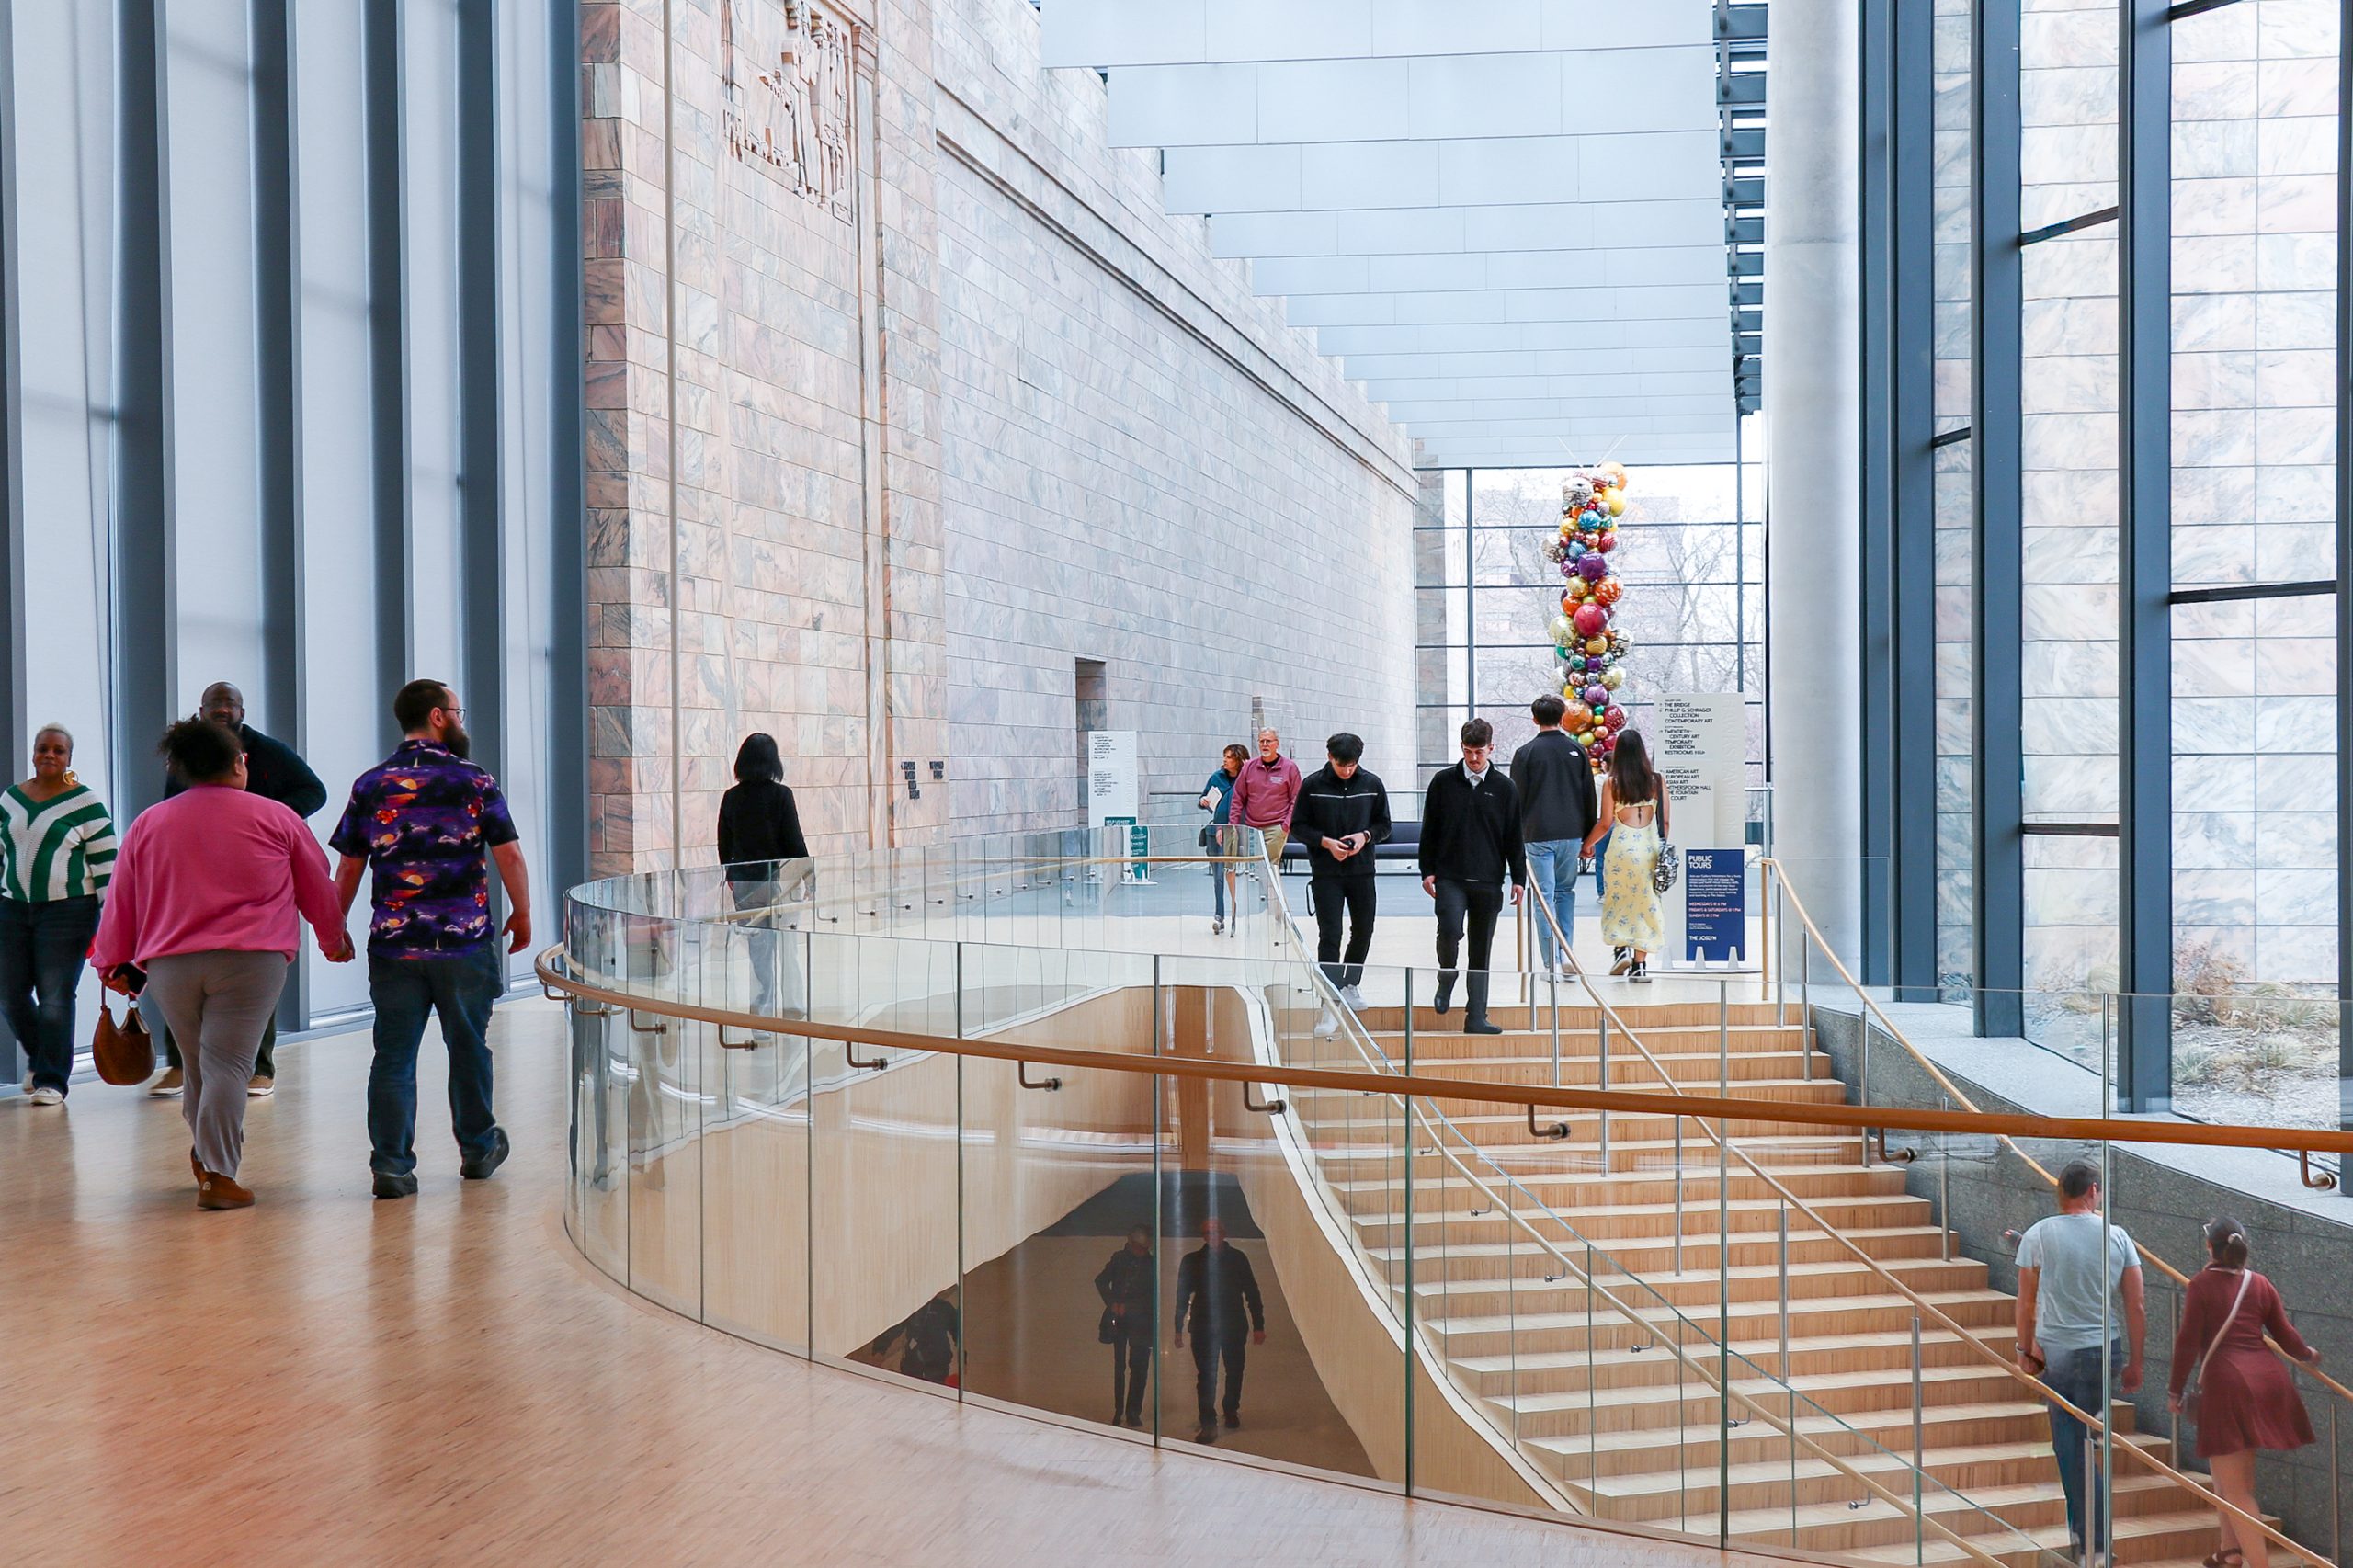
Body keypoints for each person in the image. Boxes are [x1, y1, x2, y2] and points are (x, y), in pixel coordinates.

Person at [90, 720, 351, 1207]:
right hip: (252, 961)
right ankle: (218, 1174)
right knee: (229, 1065)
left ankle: (206, 1157)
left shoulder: (150, 822)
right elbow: (316, 880)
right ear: (239, 762)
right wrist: (333, 937)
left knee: (198, 1066)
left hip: (171, 964)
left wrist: (111, 959)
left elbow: (123, 897)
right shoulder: (276, 817)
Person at [330, 680, 531, 1200]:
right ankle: (479, 1146)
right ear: (439, 716)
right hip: (462, 943)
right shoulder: (474, 780)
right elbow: (508, 853)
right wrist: (523, 911)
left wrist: (335, 926)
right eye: (458, 711)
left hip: (395, 946)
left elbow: (349, 866)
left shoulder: (371, 784)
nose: (463, 720)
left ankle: (392, 1166)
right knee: (468, 1047)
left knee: (393, 1055)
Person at [152, 681, 328, 1100]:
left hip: (254, 867)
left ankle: (260, 1068)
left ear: (243, 711)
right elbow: (167, 808)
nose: (223, 709)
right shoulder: (188, 756)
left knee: (254, 960)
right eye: (215, 703)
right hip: (196, 872)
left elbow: (314, 792)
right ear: (201, 709)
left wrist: (267, 817)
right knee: (180, 966)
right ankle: (180, 1066)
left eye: (230, 703)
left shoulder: (268, 751)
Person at [2015, 1160, 2146, 1565]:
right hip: (2105, 1349)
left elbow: (2026, 1301)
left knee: (2071, 1448)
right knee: (2083, 1445)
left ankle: (2094, 1545)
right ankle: (2087, 1542)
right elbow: (2136, 1304)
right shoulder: (2117, 1236)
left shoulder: (2038, 1234)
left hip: (2060, 1352)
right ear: (2092, 1190)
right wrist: (2136, 1361)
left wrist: (2024, 1350)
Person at [2169, 1217, 2319, 1568]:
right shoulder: (2260, 1284)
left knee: (2237, 1489)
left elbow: (2187, 1343)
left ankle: (2259, 1564)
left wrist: (2175, 1390)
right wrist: (2308, 1355)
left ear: (2210, 1248)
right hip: (2268, 1382)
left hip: (2226, 1387)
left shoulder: (2202, 1285)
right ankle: (2229, 1551)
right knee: (2228, 1474)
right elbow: (2285, 1335)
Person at [1, 725, 117, 1105]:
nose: (50, 755)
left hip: (69, 912)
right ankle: (40, 1057)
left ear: (69, 758)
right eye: (43, 748)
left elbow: (107, 866)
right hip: (12, 909)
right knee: (9, 992)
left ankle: (52, 1080)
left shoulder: (85, 803)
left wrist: (112, 922)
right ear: (33, 754)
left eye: (59, 750)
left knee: (55, 996)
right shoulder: (11, 799)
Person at [1418, 718, 1526, 1034]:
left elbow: (1513, 837)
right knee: (1449, 930)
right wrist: (1427, 870)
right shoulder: (1442, 782)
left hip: (1489, 879)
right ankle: (1446, 974)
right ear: (1461, 748)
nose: (1474, 758)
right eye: (1468, 751)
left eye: (1479, 751)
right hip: (1450, 875)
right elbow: (1430, 830)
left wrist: (1518, 878)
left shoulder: (1505, 788)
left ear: (1491, 748)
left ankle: (1476, 1015)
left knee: (1481, 949)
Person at [1290, 732, 1391, 1034]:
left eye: (1351, 765)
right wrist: (1326, 843)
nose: (1346, 770)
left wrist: (1364, 836)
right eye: (1341, 764)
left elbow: (1384, 825)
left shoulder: (1372, 784)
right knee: (1330, 934)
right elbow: (1297, 827)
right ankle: (1329, 1003)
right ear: (1329, 756)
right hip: (1326, 873)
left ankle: (1350, 984)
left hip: (1362, 871)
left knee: (1363, 929)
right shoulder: (1312, 786)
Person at [716, 733, 809, 1022]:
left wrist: (732, 876)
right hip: (779, 884)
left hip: (746, 884)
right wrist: (809, 877)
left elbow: (724, 844)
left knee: (759, 954)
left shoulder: (731, 797)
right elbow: (794, 842)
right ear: (773, 762)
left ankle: (762, 1021)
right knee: (789, 948)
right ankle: (793, 1009)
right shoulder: (782, 795)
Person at [1510, 694, 1597, 978]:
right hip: (1572, 834)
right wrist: (1588, 840)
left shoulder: (1525, 754)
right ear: (1563, 718)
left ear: (1535, 719)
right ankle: (1567, 953)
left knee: (1543, 897)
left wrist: (1515, 838)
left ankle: (1552, 962)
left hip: (1536, 835)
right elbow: (1588, 798)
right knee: (1565, 893)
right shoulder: (1577, 751)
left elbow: (1516, 800)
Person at [1583, 729, 1669, 983]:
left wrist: (1587, 845)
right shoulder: (1657, 781)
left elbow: (1605, 823)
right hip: (1649, 849)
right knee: (1647, 905)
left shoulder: (1613, 783)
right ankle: (1640, 966)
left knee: (1619, 901)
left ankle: (1620, 950)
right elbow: (1664, 820)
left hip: (1622, 849)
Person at [1173, 1218, 1265, 1443]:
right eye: (1207, 1232)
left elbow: (1252, 1292)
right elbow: (1182, 1296)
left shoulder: (1238, 1259)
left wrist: (1258, 1324)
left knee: (1234, 1371)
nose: (1211, 1236)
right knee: (1206, 1376)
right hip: (1204, 1327)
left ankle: (1230, 1409)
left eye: (1215, 1232)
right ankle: (1208, 1422)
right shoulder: (1192, 1261)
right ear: (1203, 1236)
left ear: (1223, 1233)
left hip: (1232, 1325)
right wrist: (1178, 1327)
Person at [1095, 1224, 1156, 1428]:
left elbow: (1151, 1297)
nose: (1141, 1251)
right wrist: (1113, 1303)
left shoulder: (1151, 1264)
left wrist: (1127, 1305)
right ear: (1130, 1244)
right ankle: (1119, 1410)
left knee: (1139, 1368)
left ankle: (1133, 1411)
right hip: (1120, 1321)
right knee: (1119, 1367)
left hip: (1141, 1322)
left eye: (1144, 1248)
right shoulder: (1119, 1259)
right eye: (1138, 1247)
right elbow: (1101, 1281)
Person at [1225, 728, 1301, 869]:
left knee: (1270, 869)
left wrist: (1286, 826)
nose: (1265, 744)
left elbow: (1296, 799)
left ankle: (1270, 892)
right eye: (1262, 741)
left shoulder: (1290, 768)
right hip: (1251, 828)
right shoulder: (1248, 767)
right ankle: (1262, 892)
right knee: (1252, 869)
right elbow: (1238, 797)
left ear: (1277, 744)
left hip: (1276, 827)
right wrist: (1233, 824)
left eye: (1268, 741)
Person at [1197, 744, 1246, 936]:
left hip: (1237, 832)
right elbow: (1204, 798)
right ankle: (1219, 915)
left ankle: (1235, 914)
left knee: (1231, 873)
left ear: (1239, 760)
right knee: (1218, 876)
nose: (1225, 760)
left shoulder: (1245, 779)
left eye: (1230, 757)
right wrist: (1203, 801)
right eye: (1224, 756)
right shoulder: (1216, 777)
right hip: (1214, 833)